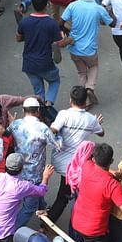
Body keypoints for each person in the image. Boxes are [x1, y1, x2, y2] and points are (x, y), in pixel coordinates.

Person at [48, 86, 105, 221]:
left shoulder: (64, 114)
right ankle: (46, 227)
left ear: (70, 100)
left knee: (64, 193)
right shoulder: (91, 119)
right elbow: (101, 133)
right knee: (64, 198)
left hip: (58, 161)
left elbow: (53, 130)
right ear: (85, 102)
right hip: (74, 167)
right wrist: (96, 123)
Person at [60, 0, 116, 108]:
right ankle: (89, 88)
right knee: (93, 67)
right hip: (90, 49)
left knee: (81, 72)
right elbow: (113, 23)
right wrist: (110, 11)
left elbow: (60, 23)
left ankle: (83, 99)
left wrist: (67, 34)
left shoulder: (73, 6)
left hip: (74, 47)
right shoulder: (98, 8)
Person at [8, 98, 62, 228]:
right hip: (34, 174)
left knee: (35, 197)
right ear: (38, 111)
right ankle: (12, 232)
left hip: (16, 171)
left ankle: (42, 208)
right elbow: (58, 146)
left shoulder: (15, 125)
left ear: (23, 110)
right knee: (28, 208)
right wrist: (57, 131)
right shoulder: (43, 129)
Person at [16, 0, 67, 105]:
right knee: (54, 81)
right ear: (47, 4)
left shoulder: (25, 21)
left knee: (38, 91)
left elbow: (18, 38)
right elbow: (60, 43)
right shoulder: (52, 23)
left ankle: (41, 111)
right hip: (45, 62)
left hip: (29, 63)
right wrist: (65, 38)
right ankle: (49, 104)